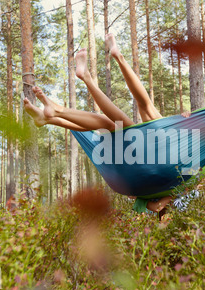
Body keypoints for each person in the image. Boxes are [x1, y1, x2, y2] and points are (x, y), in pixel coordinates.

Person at [23, 34, 191, 218]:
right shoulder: (167, 199)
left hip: (153, 169)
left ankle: (103, 67)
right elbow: (157, 203)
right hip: (137, 172)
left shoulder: (174, 201)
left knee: (145, 110)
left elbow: (159, 206)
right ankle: (52, 116)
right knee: (110, 124)